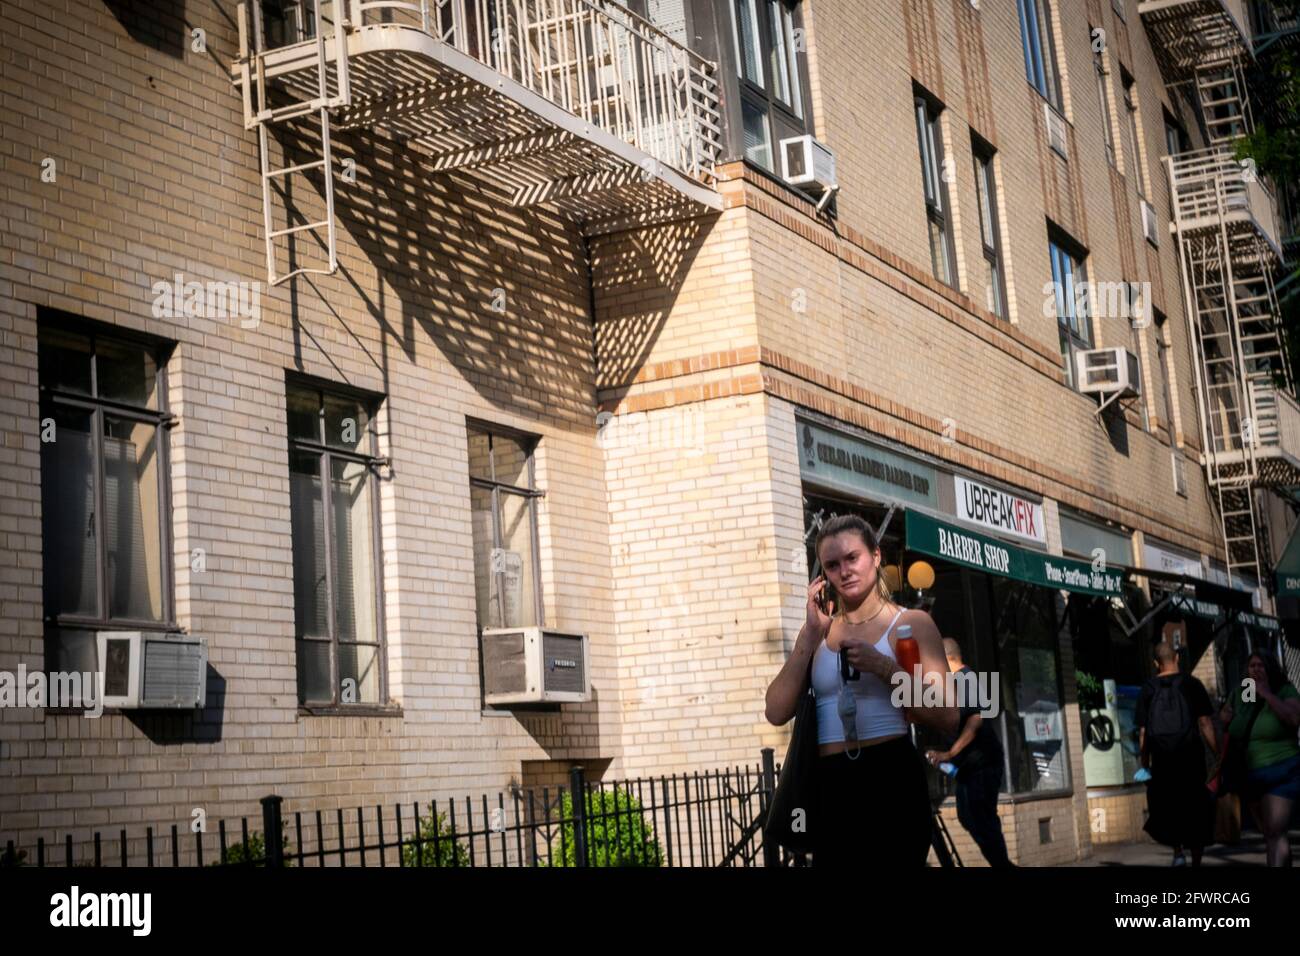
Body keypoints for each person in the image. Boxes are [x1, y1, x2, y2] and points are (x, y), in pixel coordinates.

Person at [765, 514, 957, 867]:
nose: (845, 571)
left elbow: (947, 714)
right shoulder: (819, 632)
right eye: (832, 564)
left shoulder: (911, 622)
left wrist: (885, 669)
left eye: (852, 558)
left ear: (876, 556)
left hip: (890, 775)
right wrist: (809, 635)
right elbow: (776, 711)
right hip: (831, 782)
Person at [924, 638, 1012, 867]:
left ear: (947, 658)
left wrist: (949, 754)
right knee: (968, 816)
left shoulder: (966, 678)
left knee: (981, 819)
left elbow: (975, 721)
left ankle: (1003, 865)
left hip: (983, 765)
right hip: (969, 768)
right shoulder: (952, 682)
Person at [1135, 642, 1217, 866]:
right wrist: (1218, 755)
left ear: (1155, 664)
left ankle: (1178, 852)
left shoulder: (1148, 689)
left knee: (1169, 807)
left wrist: (1145, 765)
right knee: (1195, 808)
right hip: (1190, 757)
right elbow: (1205, 722)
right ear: (1177, 658)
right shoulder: (1192, 684)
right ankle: (1196, 861)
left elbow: (1143, 733)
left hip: (1162, 760)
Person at [1219, 651, 1300, 867]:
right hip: (1250, 773)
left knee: (1274, 831)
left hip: (1282, 770)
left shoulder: (1284, 690)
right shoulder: (1243, 693)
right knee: (1270, 834)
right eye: (1251, 666)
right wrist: (1225, 718)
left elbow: (1293, 719)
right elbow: (1234, 724)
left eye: (1261, 665)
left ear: (1271, 669)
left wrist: (1267, 695)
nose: (1255, 669)